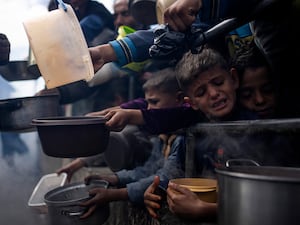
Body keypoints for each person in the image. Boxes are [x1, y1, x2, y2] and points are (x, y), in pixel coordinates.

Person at [74, 67, 186, 219]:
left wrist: (115, 194)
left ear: (179, 99)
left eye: (154, 102)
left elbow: (165, 178)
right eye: (147, 104)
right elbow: (149, 169)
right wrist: (116, 178)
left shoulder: (182, 138)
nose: (150, 109)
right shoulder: (164, 136)